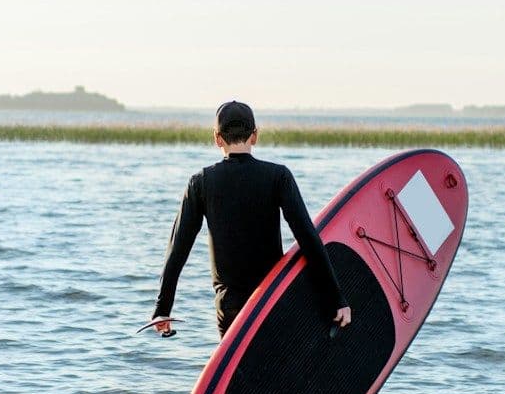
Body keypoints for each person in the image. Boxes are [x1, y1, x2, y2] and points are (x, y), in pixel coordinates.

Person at [150, 101, 353, 338]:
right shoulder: (278, 176)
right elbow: (308, 238)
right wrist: (336, 299)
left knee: (236, 362)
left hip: (230, 305)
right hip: (270, 298)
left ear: (217, 138)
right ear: (254, 136)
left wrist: (162, 309)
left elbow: (178, 249)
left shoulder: (201, 182)